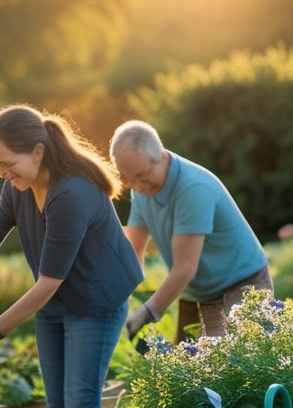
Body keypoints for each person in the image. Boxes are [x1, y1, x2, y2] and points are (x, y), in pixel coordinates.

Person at [0, 104, 142, 408]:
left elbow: (48, 283)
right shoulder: (17, 188)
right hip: (53, 303)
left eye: (7, 164)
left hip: (95, 303)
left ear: (38, 151)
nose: (1, 173)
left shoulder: (71, 193)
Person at [109, 120, 272, 340]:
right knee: (186, 360)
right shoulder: (141, 192)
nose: (136, 186)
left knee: (243, 354)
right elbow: (132, 253)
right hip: (199, 292)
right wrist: (117, 302)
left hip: (242, 283)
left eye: (141, 176)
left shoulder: (192, 188)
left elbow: (185, 267)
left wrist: (147, 312)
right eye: (127, 178)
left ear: (161, 157)